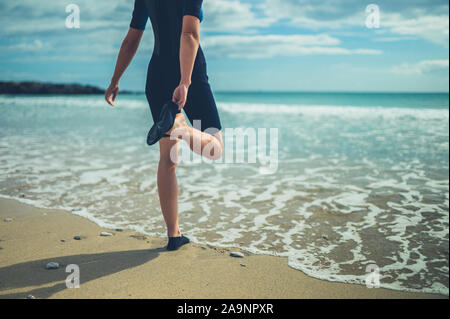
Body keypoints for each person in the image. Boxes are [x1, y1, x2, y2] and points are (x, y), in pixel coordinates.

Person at [105, 0, 224, 251]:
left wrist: (115, 79)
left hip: (157, 75)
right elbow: (189, 32)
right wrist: (185, 81)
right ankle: (182, 127)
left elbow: (131, 39)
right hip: (190, 71)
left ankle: (173, 235)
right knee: (215, 148)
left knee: (168, 159)